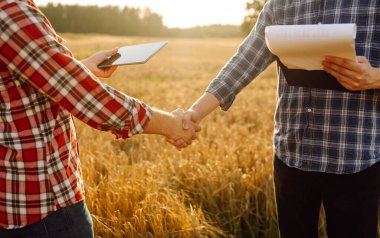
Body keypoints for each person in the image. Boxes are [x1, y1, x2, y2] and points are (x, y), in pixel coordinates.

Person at [175, 0, 380, 237]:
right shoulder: (281, 4)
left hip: (354, 160)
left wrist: (374, 77)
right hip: (290, 156)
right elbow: (243, 62)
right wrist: (195, 112)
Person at [0, 0, 200, 237]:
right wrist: (172, 125)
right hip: (46, 210)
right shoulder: (10, 13)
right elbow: (90, 99)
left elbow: (17, 85)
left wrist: (79, 67)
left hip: (13, 200)